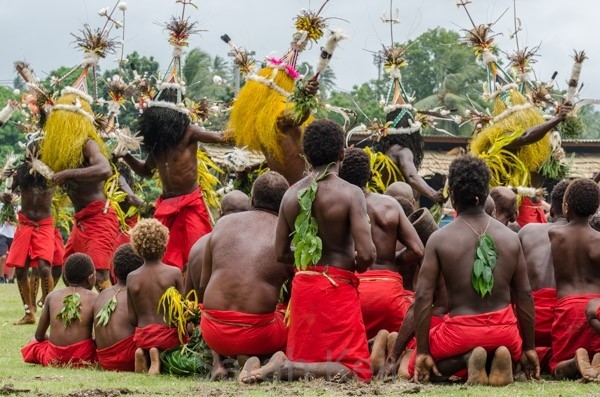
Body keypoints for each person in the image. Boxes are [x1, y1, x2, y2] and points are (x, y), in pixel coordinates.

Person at [239, 119, 376, 383]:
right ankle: (285, 366)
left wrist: (310, 260)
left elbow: (280, 253)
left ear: (307, 155)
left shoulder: (291, 195)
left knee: (306, 363)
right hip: (337, 287)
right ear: (341, 154)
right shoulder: (351, 194)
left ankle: (281, 364)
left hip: (304, 288)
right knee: (357, 370)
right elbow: (368, 254)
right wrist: (348, 265)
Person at [411, 155, 537, 386]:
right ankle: (500, 357)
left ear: (454, 195)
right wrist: (529, 348)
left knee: (419, 363)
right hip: (506, 333)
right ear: (486, 194)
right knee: (515, 354)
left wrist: (422, 352)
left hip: (460, 334)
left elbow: (422, 296)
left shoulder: (439, 239)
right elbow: (525, 295)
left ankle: (469, 359)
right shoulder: (510, 237)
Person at [199, 173, 291, 379]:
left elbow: (204, 285)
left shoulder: (223, 224)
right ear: (285, 203)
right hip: (258, 335)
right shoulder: (287, 234)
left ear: (252, 199)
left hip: (212, 332)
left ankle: (220, 362)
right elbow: (295, 296)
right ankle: (264, 358)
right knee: (289, 314)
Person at [121, 89, 224, 271]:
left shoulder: (189, 133)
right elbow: (145, 170)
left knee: (197, 253)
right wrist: (126, 155)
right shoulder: (158, 144)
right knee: (159, 256)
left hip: (190, 203)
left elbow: (220, 138)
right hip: (166, 205)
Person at [339, 148, 424, 339]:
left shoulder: (333, 207)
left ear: (340, 176)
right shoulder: (390, 204)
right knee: (406, 344)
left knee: (345, 343)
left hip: (351, 293)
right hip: (388, 293)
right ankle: (385, 346)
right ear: (370, 175)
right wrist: (390, 260)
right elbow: (417, 250)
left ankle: (368, 346)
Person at [42, 86, 119, 291]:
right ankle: (76, 321)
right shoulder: (62, 151)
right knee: (71, 275)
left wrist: (68, 174)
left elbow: (105, 169)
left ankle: (114, 321)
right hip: (81, 221)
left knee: (100, 275)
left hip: (100, 217)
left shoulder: (88, 143)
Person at [548, 178, 600, 381]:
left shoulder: (555, 235)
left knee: (556, 366)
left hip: (567, 309)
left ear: (566, 207)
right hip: (595, 309)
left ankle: (573, 362)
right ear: (595, 209)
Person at [518, 179, 570, 370]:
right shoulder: (588, 237)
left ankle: (530, 354)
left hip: (528, 323)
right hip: (566, 324)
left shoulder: (527, 231)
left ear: (552, 211)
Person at [127, 218, 183, 375]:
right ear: (164, 247)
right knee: (175, 344)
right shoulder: (174, 273)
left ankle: (143, 353)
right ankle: (157, 357)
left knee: (145, 342)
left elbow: (132, 318)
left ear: (137, 249)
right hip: (166, 335)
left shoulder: (132, 277)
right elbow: (182, 313)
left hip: (142, 336)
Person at [21, 253, 97, 367]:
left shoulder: (52, 296)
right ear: (91, 278)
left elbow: (38, 336)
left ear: (65, 277)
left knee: (33, 342)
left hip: (54, 357)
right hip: (83, 357)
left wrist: (51, 337)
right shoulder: (95, 298)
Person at [5, 158, 56, 325]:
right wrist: (6, 194)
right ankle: (29, 313)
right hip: (25, 223)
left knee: (43, 266)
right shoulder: (21, 172)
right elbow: (8, 193)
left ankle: (49, 312)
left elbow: (55, 178)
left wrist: (39, 165)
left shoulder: (51, 171)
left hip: (44, 224)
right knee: (20, 270)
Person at [184, 190, 251, 296]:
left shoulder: (198, 246)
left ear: (220, 213)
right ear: (250, 214)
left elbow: (188, 298)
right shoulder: (255, 246)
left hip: (204, 310)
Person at [94, 244, 143, 371]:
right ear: (140, 271)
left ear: (114, 271)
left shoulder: (101, 295)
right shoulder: (137, 293)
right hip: (130, 358)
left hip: (105, 360)